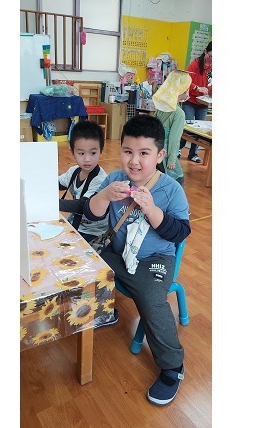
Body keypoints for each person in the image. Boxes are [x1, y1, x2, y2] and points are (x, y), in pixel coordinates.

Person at [83, 114, 191, 406]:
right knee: (86, 267)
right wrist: (105, 195)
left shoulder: (171, 190)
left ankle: (173, 366)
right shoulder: (115, 179)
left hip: (154, 259)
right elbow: (91, 212)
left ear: (160, 156)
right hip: (118, 252)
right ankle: (107, 312)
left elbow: (180, 232)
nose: (134, 161)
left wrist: (153, 210)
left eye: (144, 153)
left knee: (152, 300)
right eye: (128, 151)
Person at [58, 120, 109, 243]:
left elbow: (82, 206)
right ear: (72, 152)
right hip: (75, 224)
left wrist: (52, 203)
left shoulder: (101, 180)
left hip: (94, 233)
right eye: (81, 153)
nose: (87, 159)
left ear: (101, 151)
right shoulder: (73, 171)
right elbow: (56, 184)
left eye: (93, 153)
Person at [152, 70, 192, 186]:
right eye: (187, 89)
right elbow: (174, 139)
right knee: (178, 181)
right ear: (182, 90)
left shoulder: (161, 106)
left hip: (155, 150)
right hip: (166, 154)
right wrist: (172, 160)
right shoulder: (179, 113)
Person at [180, 41, 212, 163]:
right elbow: (186, 80)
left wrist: (210, 90)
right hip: (190, 101)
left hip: (203, 103)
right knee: (187, 127)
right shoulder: (195, 64)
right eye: (211, 56)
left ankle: (193, 153)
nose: (212, 60)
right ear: (205, 51)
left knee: (200, 130)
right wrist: (197, 88)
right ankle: (178, 148)